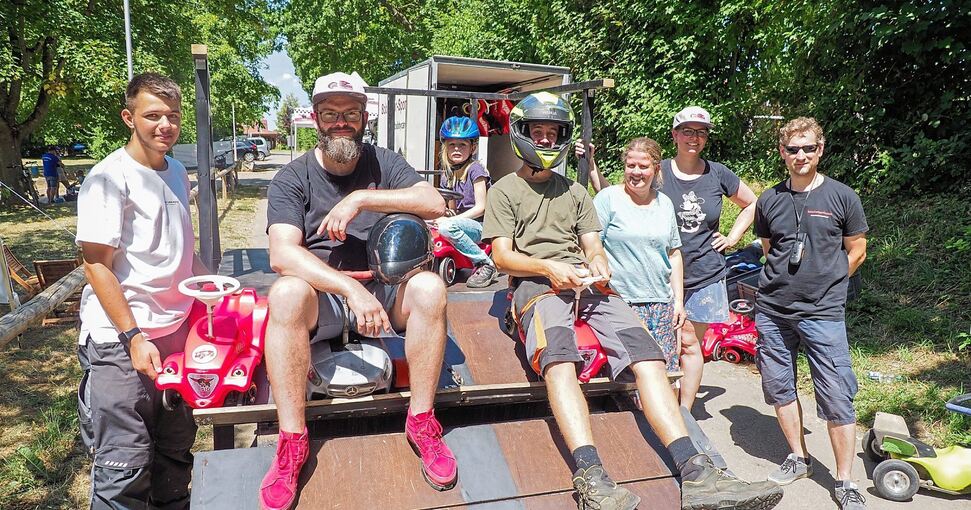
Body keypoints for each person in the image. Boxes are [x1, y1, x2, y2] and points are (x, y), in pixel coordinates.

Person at [483, 91, 782, 510]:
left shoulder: (575, 192)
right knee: (560, 359)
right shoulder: (505, 190)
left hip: (589, 285)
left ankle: (696, 471)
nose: (548, 140)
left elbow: (592, 244)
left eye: (554, 133)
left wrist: (598, 264)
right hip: (537, 286)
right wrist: (549, 269)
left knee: (649, 356)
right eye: (539, 132)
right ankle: (592, 476)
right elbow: (502, 254)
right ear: (523, 135)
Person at [260, 72, 456, 510]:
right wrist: (349, 288)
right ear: (315, 119)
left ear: (365, 117)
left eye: (350, 113)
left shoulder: (384, 162)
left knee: (428, 286)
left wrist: (363, 200)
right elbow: (282, 254)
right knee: (286, 293)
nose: (341, 122)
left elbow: (433, 202)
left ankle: (422, 419)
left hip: (386, 290)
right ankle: (292, 439)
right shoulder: (293, 178)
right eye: (330, 114)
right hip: (325, 295)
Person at [75, 72, 208, 509]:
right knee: (124, 466)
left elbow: (184, 254)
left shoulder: (175, 172)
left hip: (176, 334)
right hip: (122, 339)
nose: (165, 125)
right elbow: (96, 264)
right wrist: (133, 337)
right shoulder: (107, 178)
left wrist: (217, 292)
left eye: (172, 115)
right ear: (128, 117)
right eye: (153, 115)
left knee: (173, 455)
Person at [754, 117, 868, 510]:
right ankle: (798, 458)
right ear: (782, 153)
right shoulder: (769, 198)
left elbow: (857, 249)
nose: (800, 155)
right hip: (772, 311)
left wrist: (833, 281)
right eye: (792, 149)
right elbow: (770, 247)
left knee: (837, 396)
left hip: (823, 314)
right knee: (780, 387)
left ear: (820, 150)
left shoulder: (842, 196)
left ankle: (845, 481)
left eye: (807, 148)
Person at [660, 107, 757, 412]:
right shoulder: (659, 171)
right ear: (675, 135)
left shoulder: (717, 173)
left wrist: (733, 237)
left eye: (701, 132)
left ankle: (684, 413)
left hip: (705, 272)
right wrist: (592, 166)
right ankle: (659, 405)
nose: (694, 137)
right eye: (687, 131)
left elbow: (753, 203)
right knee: (662, 345)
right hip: (662, 273)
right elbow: (623, 199)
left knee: (689, 343)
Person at [587, 137, 686, 375]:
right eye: (631, 165)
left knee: (667, 371)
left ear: (656, 169)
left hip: (661, 303)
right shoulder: (608, 199)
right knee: (632, 374)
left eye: (643, 166)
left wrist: (679, 302)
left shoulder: (664, 204)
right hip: (620, 301)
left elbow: (673, 254)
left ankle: (670, 412)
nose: (636, 172)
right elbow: (590, 248)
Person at [433, 116, 497, 288]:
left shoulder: (476, 170)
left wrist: (451, 220)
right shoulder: (448, 173)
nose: (456, 149)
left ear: (473, 147)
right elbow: (452, 208)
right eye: (452, 144)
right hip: (462, 224)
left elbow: (481, 207)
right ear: (445, 147)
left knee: (446, 226)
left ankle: (485, 263)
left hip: (481, 226)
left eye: (462, 145)